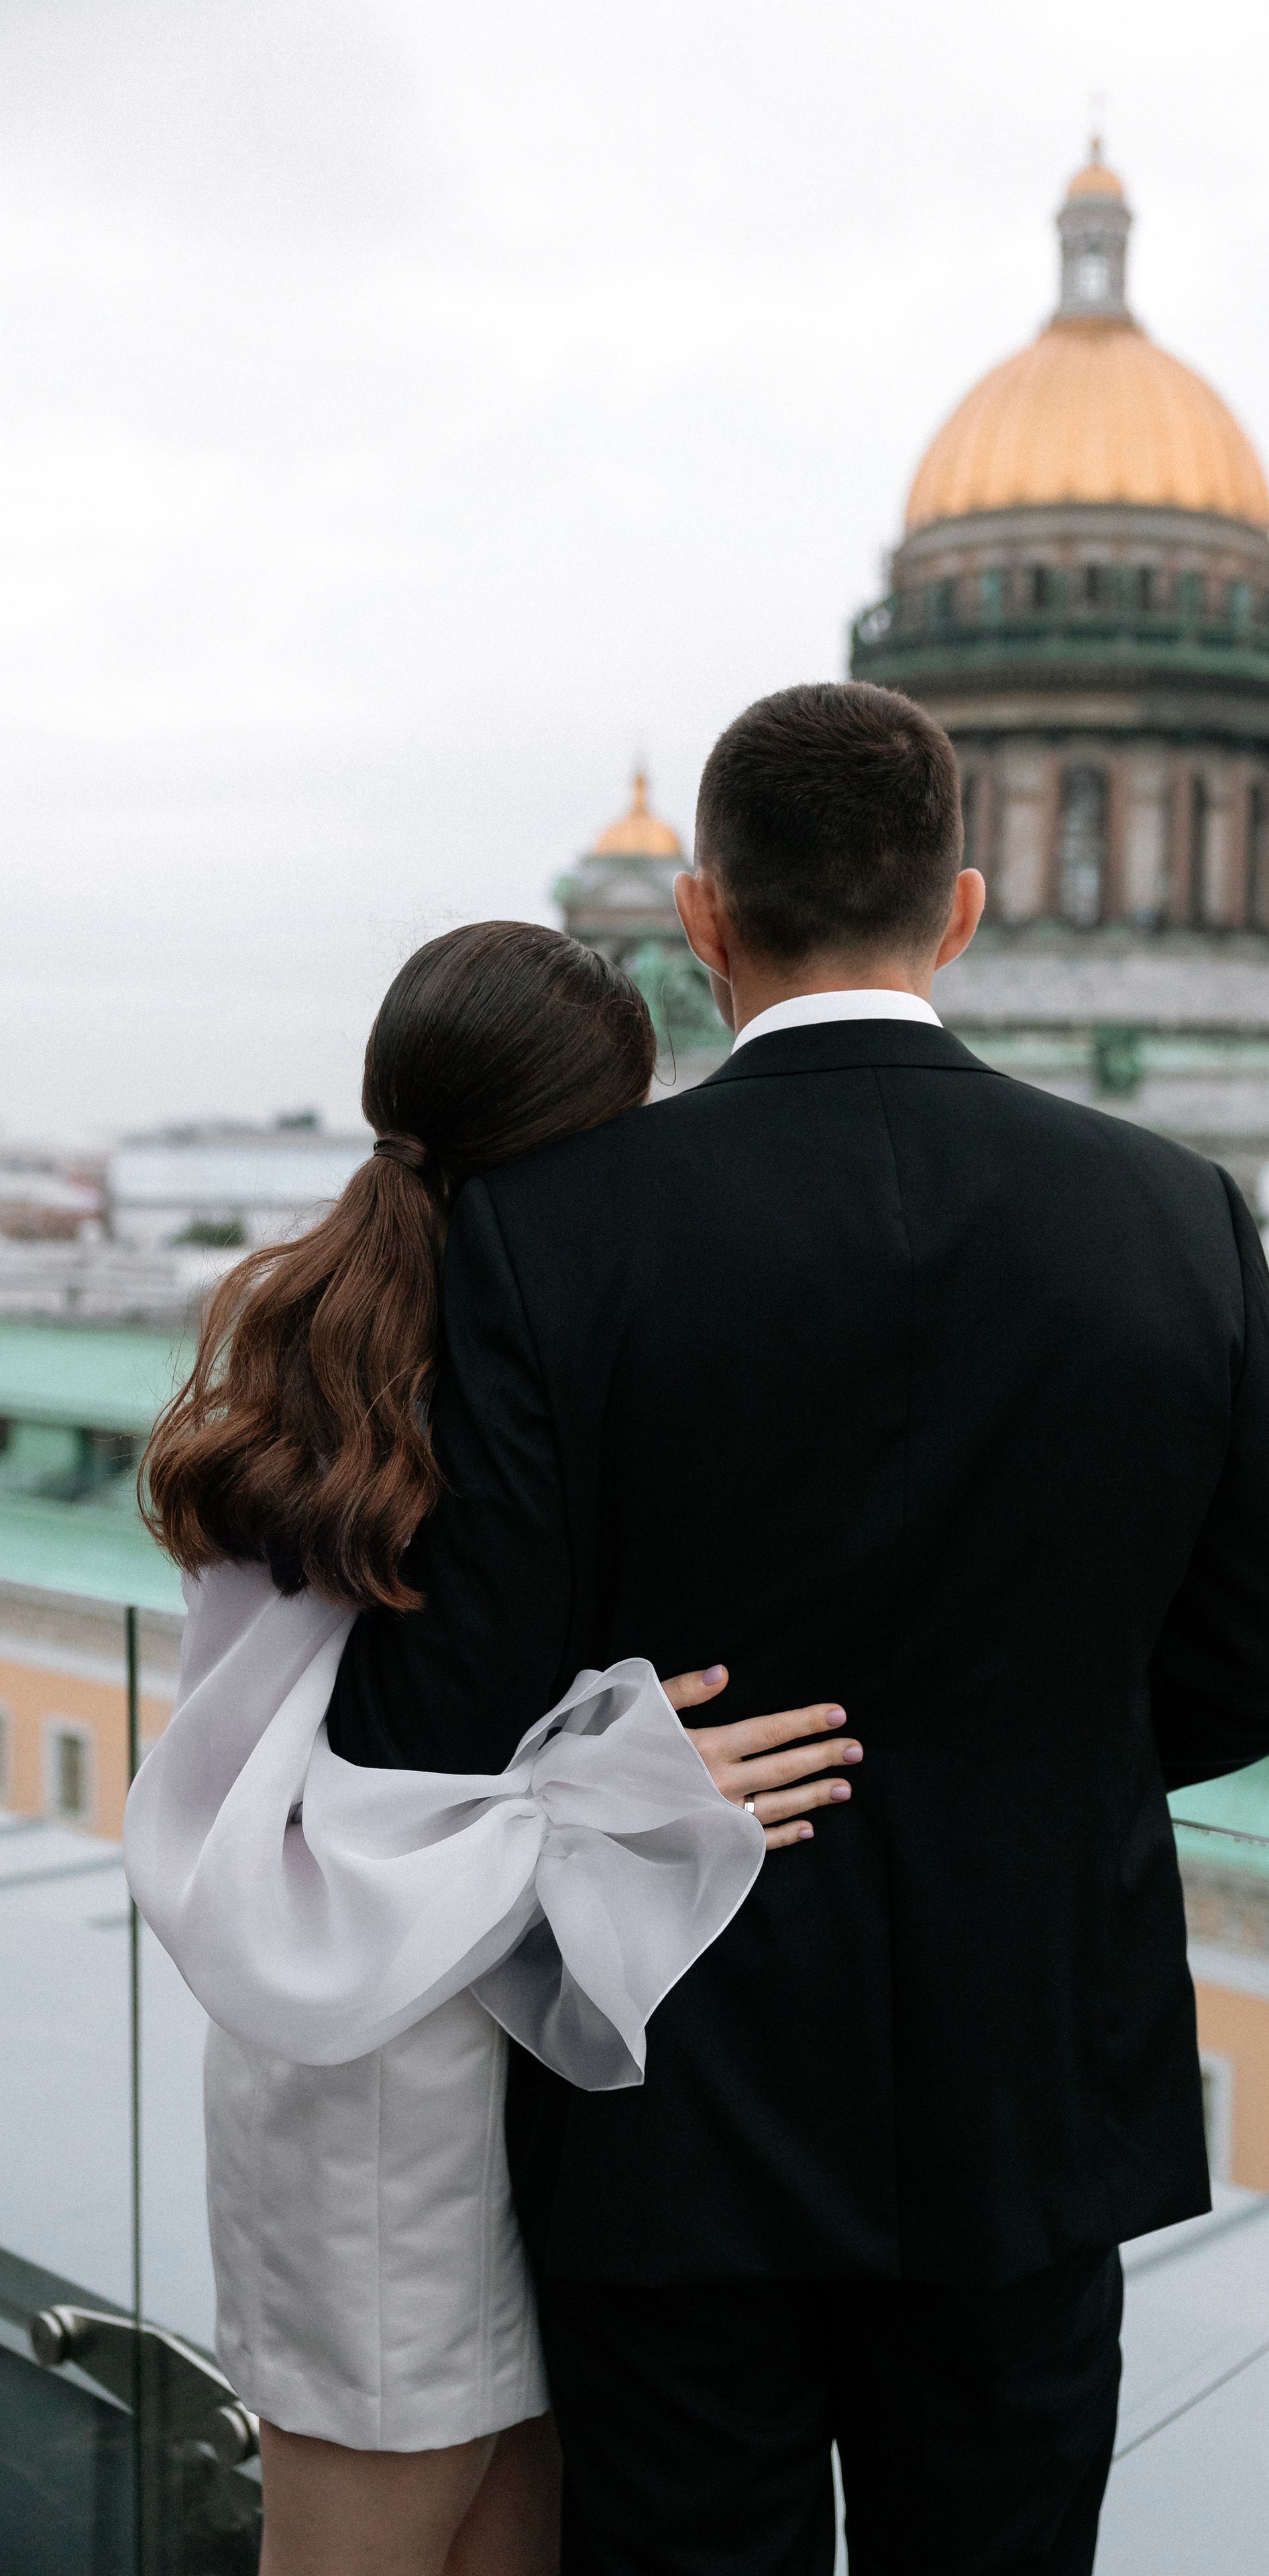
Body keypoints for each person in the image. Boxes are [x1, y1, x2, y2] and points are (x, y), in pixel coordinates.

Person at [330, 682, 1269, 2576]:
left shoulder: (548, 1229)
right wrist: (1014, 1752)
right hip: (1031, 2092)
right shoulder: (1175, 1217)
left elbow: (441, 1712)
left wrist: (667, 1787)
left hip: (667, 2093)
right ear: (958, 911)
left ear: (701, 920)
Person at [125, 924, 865, 2576]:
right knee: (386, 2526)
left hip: (368, 2040)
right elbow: (422, 1783)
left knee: (471, 2513)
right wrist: (650, 1776)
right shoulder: (482, 1379)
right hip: (407, 2056)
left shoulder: (319, 1339)